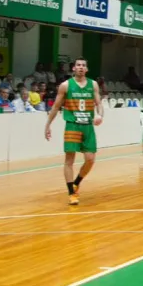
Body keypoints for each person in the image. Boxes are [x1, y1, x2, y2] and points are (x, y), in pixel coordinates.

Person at [44, 58, 103, 206]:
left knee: (90, 159)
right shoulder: (65, 86)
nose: (81, 67)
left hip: (87, 126)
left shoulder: (93, 84)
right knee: (69, 159)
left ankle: (77, 182)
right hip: (72, 125)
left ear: (87, 69)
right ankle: (71, 193)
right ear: (73, 69)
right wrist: (48, 125)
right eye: (78, 65)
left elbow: (99, 103)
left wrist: (100, 115)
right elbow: (56, 107)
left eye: (83, 65)